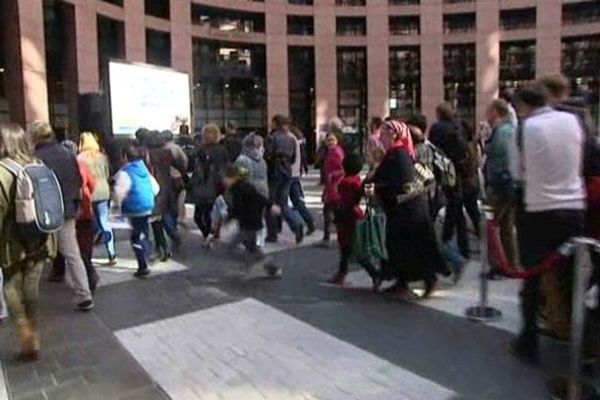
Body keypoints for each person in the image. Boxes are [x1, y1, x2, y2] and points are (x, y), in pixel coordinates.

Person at [510, 82, 586, 360]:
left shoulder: (526, 128)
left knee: (532, 277)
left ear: (522, 104)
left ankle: (529, 340)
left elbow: (518, 172)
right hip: (574, 207)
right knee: (572, 276)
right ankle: (580, 342)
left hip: (537, 209)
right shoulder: (573, 120)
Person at [366, 120, 450, 298]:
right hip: (401, 211)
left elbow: (404, 183)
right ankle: (401, 281)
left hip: (409, 212)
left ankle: (428, 280)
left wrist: (379, 188)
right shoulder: (395, 152)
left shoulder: (400, 153)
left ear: (394, 134)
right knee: (400, 248)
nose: (381, 137)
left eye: (384, 133)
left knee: (415, 248)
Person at [0, 123, 57, 362]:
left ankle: (25, 335)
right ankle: (33, 334)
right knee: (31, 288)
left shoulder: (2, 171)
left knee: (11, 287)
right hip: (41, 238)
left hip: (12, 243)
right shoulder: (37, 165)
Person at [29, 121, 94, 312]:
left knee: (35, 255)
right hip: (67, 210)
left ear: (35, 137)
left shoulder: (36, 158)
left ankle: (29, 300)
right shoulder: (67, 153)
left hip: (43, 212)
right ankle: (84, 294)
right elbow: (78, 180)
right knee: (72, 253)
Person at [327, 153, 380, 287]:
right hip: (354, 214)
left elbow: (341, 198)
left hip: (346, 215)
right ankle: (343, 273)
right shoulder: (357, 181)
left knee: (349, 247)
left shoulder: (345, 182)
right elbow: (365, 194)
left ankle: (373, 274)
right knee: (351, 248)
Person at [223, 165, 282, 278]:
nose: (224, 181)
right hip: (250, 222)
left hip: (249, 223)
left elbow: (240, 207)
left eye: (226, 178)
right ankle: (272, 268)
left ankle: (248, 267)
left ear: (233, 178)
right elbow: (258, 198)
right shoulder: (240, 188)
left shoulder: (240, 189)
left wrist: (228, 218)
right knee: (252, 248)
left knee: (232, 247)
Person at [113, 142, 160, 279]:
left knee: (136, 237)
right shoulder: (143, 169)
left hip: (135, 207)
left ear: (125, 157)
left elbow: (119, 192)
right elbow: (156, 188)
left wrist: (117, 204)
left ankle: (143, 265)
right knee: (143, 232)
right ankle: (147, 252)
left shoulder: (125, 172)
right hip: (147, 206)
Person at [429, 102, 470, 259]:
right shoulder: (459, 126)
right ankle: (461, 245)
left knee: (444, 206)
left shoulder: (437, 128)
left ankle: (445, 240)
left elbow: (433, 150)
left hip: (443, 171)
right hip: (458, 171)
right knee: (456, 207)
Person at [484, 99, 519, 277]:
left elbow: (501, 162)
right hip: (508, 186)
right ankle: (510, 265)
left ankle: (498, 265)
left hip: (501, 187)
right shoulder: (508, 130)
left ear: (495, 113)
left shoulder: (503, 132)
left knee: (492, 226)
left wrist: (498, 185)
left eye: (488, 111)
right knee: (505, 227)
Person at [63, 140, 99, 292]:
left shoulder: (61, 167)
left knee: (72, 249)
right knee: (85, 246)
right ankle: (90, 275)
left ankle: (84, 279)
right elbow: (92, 184)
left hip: (69, 212)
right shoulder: (82, 165)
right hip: (85, 208)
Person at [77, 132, 116, 264]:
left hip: (89, 192)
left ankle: (88, 252)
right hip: (104, 190)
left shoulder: (80, 158)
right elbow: (107, 173)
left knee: (90, 221)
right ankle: (112, 252)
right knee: (104, 220)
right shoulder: (103, 157)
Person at [265, 115, 304, 244]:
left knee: (270, 203)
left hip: (274, 172)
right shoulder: (291, 139)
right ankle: (296, 224)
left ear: (276, 123)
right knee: (283, 203)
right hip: (287, 172)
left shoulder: (271, 138)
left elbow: (267, 156)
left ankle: (272, 233)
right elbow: (293, 158)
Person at [147, 130, 187, 252]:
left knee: (157, 217)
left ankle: (163, 244)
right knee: (167, 213)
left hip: (154, 185)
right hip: (168, 184)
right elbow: (180, 165)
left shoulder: (148, 154)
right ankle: (172, 236)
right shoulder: (167, 152)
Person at [191, 124, 229, 241]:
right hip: (216, 184)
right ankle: (211, 233)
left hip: (203, 185)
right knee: (211, 212)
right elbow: (225, 167)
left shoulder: (200, 150)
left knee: (199, 215)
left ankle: (207, 234)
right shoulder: (222, 149)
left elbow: (193, 166)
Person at [288, 127, 316, 235]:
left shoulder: (288, 139)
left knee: (280, 203)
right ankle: (309, 221)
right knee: (297, 201)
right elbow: (302, 156)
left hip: (287, 174)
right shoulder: (296, 139)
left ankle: (296, 224)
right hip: (295, 174)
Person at [321, 132, 345, 244]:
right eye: (328, 140)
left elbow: (342, 169)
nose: (330, 142)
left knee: (329, 212)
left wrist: (332, 176)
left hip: (335, 186)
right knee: (332, 212)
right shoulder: (332, 151)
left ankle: (328, 237)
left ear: (337, 141)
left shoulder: (336, 152)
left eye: (332, 140)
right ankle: (332, 236)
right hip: (331, 186)